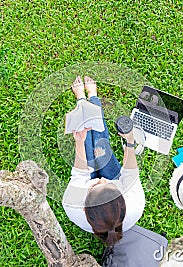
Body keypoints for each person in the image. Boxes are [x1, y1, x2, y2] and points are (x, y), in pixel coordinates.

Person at [62, 76, 145, 247]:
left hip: (97, 184)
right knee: (102, 148)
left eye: (95, 185)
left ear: (84, 208)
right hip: (114, 180)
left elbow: (80, 173)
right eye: (106, 184)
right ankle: (92, 97)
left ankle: (82, 100)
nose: (100, 179)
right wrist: (129, 141)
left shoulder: (72, 203)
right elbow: (130, 172)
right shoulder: (135, 203)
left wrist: (79, 142)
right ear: (123, 197)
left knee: (87, 147)